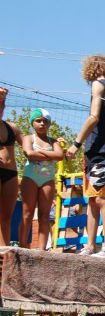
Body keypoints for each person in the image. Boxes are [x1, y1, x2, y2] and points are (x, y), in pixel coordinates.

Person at [65, 54, 105, 257]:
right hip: (96, 152)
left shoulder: (99, 85)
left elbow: (94, 117)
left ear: (92, 68)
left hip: (99, 151)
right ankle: (89, 246)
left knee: (101, 198)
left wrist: (76, 143)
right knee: (92, 200)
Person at [19, 108, 64, 250]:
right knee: (27, 213)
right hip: (30, 177)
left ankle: (42, 249)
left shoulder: (53, 141)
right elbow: (29, 153)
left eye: (45, 121)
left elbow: (59, 156)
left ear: (49, 124)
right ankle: (22, 246)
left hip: (47, 180)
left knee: (44, 215)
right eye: (38, 121)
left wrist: (38, 152)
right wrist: (49, 155)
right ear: (32, 123)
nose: (42, 124)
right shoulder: (29, 138)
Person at [0, 86, 23, 247]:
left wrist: (52, 145)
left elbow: (29, 148)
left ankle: (4, 249)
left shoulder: (12, 127)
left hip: (11, 173)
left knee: (6, 216)